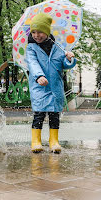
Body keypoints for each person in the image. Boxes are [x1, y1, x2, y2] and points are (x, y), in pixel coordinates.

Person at [26, 13, 76, 153]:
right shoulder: (31, 48)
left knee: (54, 115)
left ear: (47, 31)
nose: (36, 35)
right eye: (33, 32)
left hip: (55, 86)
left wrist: (69, 59)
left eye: (40, 31)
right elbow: (32, 63)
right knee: (39, 114)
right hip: (39, 87)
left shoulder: (58, 47)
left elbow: (64, 65)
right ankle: (36, 141)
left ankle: (54, 141)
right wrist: (39, 76)